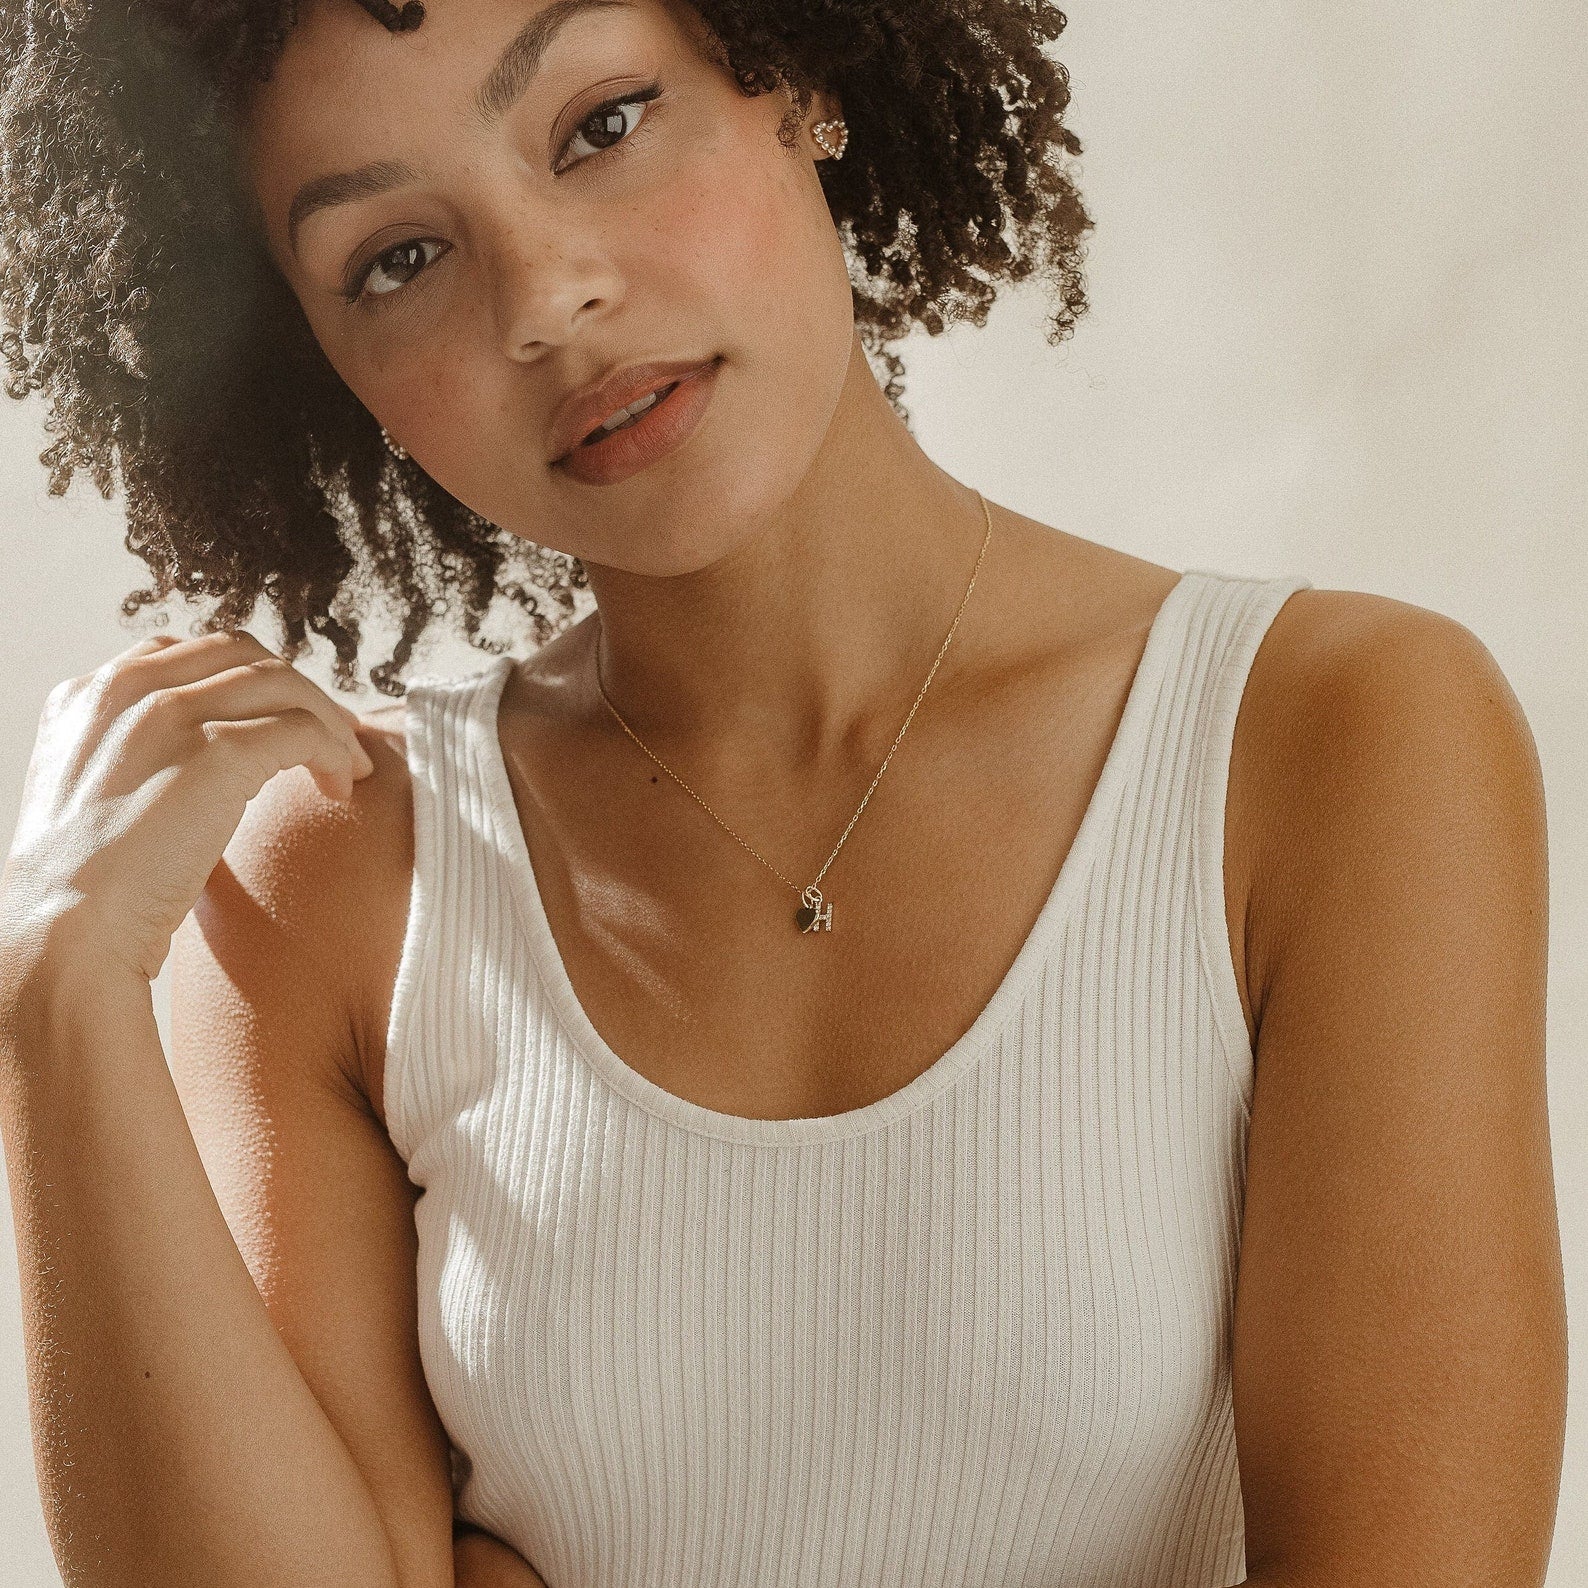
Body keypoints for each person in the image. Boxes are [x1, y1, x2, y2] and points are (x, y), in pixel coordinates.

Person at [0, 0, 1566, 1585]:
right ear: (322, 366)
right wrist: (55, 991)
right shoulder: (334, 879)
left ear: (796, 76)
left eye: (601, 126)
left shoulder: (1323, 742)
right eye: (399, 259)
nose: (547, 298)